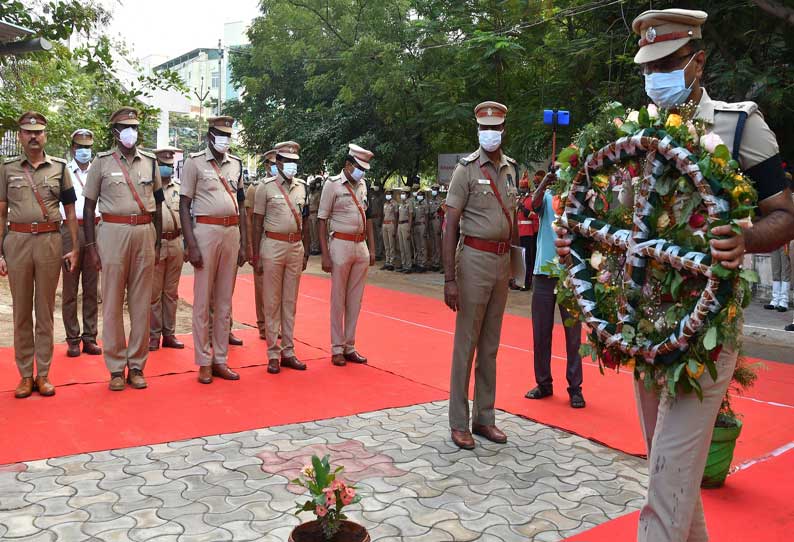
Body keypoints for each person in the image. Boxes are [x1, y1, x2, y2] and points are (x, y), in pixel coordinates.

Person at [556, 9, 794, 541]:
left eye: (669, 63)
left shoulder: (737, 125)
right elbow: (619, 222)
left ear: (698, 60)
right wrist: (580, 236)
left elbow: (785, 213)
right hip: (645, 329)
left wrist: (746, 237)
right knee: (673, 478)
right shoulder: (633, 137)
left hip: (705, 334)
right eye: (647, 67)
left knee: (662, 492)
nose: (655, 77)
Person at [443, 101, 519, 450]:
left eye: (496, 127)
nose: (490, 133)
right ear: (478, 130)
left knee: (490, 346)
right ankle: (459, 422)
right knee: (466, 345)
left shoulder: (510, 170)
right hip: (472, 260)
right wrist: (449, 278)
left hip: (501, 263)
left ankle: (484, 417)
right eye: (485, 128)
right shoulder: (466, 170)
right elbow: (450, 225)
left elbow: (514, 220)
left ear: (503, 130)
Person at [83, 107, 163, 391]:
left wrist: (158, 240)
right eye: (125, 127)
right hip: (112, 234)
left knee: (141, 303)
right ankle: (116, 368)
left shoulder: (150, 162)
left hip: (144, 232)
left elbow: (159, 204)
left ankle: (137, 365)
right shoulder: (101, 163)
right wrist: (91, 247)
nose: (132, 132)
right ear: (115, 132)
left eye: (135, 127)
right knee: (113, 303)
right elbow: (89, 206)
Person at [0, 112, 79, 398]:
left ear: (45, 135)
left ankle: (43, 374)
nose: (33, 137)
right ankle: (24, 375)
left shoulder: (59, 168)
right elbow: (0, 212)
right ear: (20, 136)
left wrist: (74, 247)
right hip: (17, 241)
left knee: (44, 310)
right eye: (27, 132)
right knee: (22, 311)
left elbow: (70, 211)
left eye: (38, 132)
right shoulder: (7, 169)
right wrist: (0, 251)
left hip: (49, 241)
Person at [180, 116, 247, 385]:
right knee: (202, 300)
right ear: (210, 135)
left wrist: (243, 242)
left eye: (229, 136)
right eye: (221, 134)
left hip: (231, 233)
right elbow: (184, 205)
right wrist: (190, 244)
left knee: (224, 301)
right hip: (205, 232)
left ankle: (220, 358)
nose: (225, 140)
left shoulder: (237, 164)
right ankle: (203, 361)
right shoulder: (194, 162)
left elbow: (241, 204)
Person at [525, 169, 584, 408]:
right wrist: (544, 184)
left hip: (570, 274)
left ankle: (575, 388)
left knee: (573, 335)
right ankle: (544, 383)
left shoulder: (579, 200)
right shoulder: (547, 196)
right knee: (541, 333)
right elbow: (534, 203)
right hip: (543, 273)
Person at [252, 141, 310, 374]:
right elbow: (256, 223)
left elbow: (305, 221)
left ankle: (289, 350)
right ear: (278, 162)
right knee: (272, 300)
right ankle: (273, 353)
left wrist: (305, 249)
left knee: (290, 302)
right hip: (272, 245)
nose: (292, 166)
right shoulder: (264, 188)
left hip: (295, 245)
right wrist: (255, 254)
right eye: (288, 162)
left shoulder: (302, 187)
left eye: (295, 162)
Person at [317, 144, 376, 366]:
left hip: (360, 245)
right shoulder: (332, 185)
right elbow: (322, 220)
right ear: (347, 165)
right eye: (358, 167)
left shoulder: (363, 185)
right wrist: (325, 254)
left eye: (364, 169)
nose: (361, 172)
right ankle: (336, 347)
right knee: (338, 298)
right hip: (340, 243)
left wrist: (372, 248)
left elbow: (368, 216)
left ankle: (350, 345)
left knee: (355, 300)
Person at [61, 128, 102, 357]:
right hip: (69, 230)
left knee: (91, 285)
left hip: (94, 229)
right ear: (72, 148)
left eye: (87, 147)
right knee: (69, 286)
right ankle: (72, 339)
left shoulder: (99, 170)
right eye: (80, 146)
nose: (84, 151)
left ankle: (90, 337)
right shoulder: (64, 171)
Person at [149, 146, 185, 351]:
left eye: (170, 166)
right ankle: (153, 335)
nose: (167, 169)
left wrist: (187, 245)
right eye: (163, 165)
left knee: (171, 293)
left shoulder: (179, 188)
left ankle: (169, 334)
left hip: (176, 243)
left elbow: (188, 216)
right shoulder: (149, 189)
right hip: (156, 243)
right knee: (153, 294)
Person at [246, 149, 277, 340]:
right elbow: (250, 220)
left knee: (278, 288)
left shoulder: (286, 187)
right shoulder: (255, 188)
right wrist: (251, 248)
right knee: (261, 285)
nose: (276, 166)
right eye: (272, 163)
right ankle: (263, 325)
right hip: (263, 240)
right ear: (266, 165)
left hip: (278, 242)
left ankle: (276, 325)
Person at [397, 186, 414, 273]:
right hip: (400, 225)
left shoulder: (409, 203)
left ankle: (409, 265)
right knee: (401, 246)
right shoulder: (400, 204)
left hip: (406, 224)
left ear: (407, 194)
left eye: (404, 193)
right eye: (402, 193)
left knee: (406, 246)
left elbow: (411, 216)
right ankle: (404, 264)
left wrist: (409, 228)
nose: (402, 194)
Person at [380, 186, 398, 271]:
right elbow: (383, 215)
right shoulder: (384, 204)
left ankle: (392, 262)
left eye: (389, 193)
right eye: (387, 193)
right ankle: (387, 261)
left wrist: (395, 227)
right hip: (385, 224)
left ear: (392, 194)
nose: (388, 195)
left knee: (391, 244)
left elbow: (396, 216)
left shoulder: (394, 203)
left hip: (391, 224)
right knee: (386, 244)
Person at [412, 187, 429, 273]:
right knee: (417, 245)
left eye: (421, 195)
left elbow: (426, 217)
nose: (419, 196)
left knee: (423, 245)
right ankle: (418, 262)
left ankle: (423, 263)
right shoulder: (415, 204)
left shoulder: (425, 204)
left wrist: (426, 228)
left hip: (422, 225)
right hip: (416, 225)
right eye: (418, 194)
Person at [428, 185, 444, 272]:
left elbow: (442, 215)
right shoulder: (430, 200)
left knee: (437, 244)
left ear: (438, 190)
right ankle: (433, 262)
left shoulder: (441, 201)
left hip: (437, 221)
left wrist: (441, 226)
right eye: (432, 189)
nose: (433, 191)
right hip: (430, 221)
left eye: (434, 189)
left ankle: (437, 263)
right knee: (432, 243)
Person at [369, 180, 385, 261]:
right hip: (372, 218)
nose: (375, 187)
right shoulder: (372, 196)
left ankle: (379, 253)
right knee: (373, 236)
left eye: (377, 185)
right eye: (375, 185)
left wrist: (381, 220)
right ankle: (374, 252)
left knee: (379, 236)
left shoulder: (382, 196)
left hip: (378, 218)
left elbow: (383, 209)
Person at [308, 175, 322, 255]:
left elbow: (319, 204)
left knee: (315, 232)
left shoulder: (318, 194)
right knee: (311, 233)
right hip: (310, 214)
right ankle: (313, 247)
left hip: (315, 213)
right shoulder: (310, 194)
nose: (311, 186)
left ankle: (316, 248)